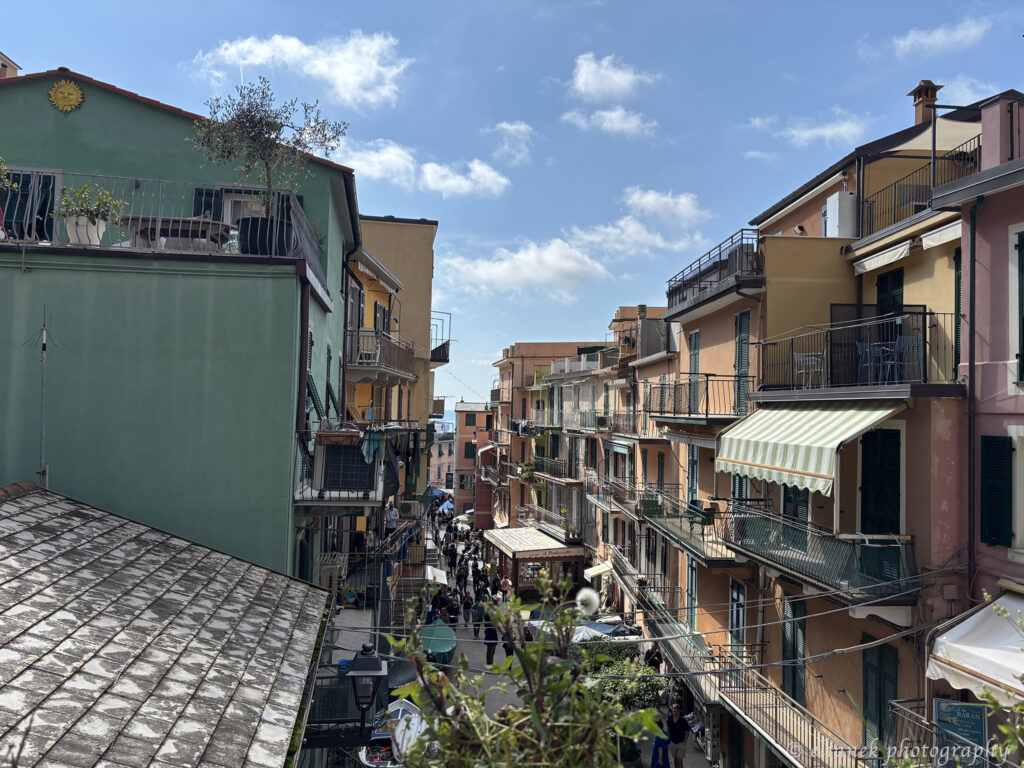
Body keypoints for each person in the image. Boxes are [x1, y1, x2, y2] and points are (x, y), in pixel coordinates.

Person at [665, 702, 689, 768]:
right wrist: (669, 739)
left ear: (679, 711)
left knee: (680, 761)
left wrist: (684, 743)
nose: (675, 712)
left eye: (677, 711)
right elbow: (668, 728)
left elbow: (687, 732)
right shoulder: (670, 718)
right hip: (672, 743)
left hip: (680, 743)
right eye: (674, 711)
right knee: (675, 760)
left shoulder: (683, 721)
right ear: (672, 711)